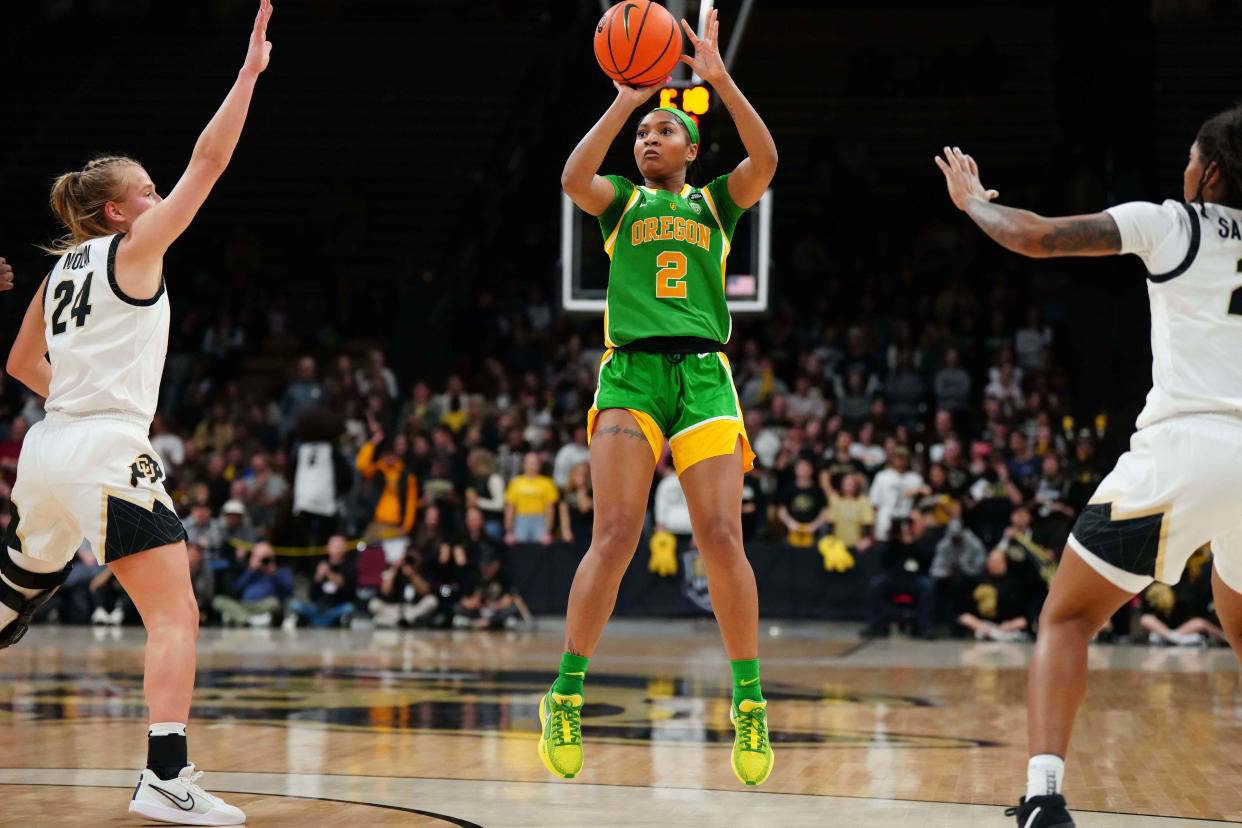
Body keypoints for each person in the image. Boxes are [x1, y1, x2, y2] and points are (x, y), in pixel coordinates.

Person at [0, 4, 271, 823]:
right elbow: (211, 160)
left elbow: (18, 363)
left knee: (11, 605)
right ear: (119, 212)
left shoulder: (62, 270)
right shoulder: (132, 251)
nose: (160, 198)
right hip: (106, 449)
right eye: (148, 192)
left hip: (46, 448)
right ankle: (164, 776)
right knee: (174, 613)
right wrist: (248, 75)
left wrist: (75, 402)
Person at [937, 109, 1242, 828]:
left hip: (1186, 449)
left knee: (1068, 617)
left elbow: (1035, 236)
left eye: (1194, 160)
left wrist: (974, 201)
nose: (1186, 171)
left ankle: (1044, 797)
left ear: (1214, 174)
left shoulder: (1175, 223)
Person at [542, 9, 778, 786]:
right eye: (642, 131)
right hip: (632, 374)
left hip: (705, 374)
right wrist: (623, 97)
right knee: (614, 534)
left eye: (662, 129)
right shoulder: (620, 202)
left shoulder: (715, 205)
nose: (649, 137)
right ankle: (566, 694)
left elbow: (766, 159)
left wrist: (719, 80)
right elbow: (574, 178)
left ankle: (748, 702)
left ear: (692, 149)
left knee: (720, 536)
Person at [212, 541, 291, 627]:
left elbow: (287, 590)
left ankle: (242, 618)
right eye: (258, 557)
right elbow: (235, 591)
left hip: (264, 606)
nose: (263, 561)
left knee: (274, 603)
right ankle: (249, 620)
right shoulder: (245, 570)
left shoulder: (280, 572)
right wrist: (250, 570)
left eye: (265, 558)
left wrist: (273, 573)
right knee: (218, 601)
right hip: (243, 605)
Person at [287, 534, 356, 628]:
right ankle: (324, 621)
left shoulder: (349, 567)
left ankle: (317, 621)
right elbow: (311, 595)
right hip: (317, 608)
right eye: (334, 546)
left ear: (345, 549)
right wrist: (318, 577)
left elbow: (348, 592)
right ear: (327, 548)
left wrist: (329, 574)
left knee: (349, 608)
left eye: (340, 546)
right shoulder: (319, 566)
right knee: (294, 604)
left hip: (336, 607)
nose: (337, 550)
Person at [503, 452, 558, 545]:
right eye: (530, 463)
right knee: (520, 548)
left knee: (540, 550)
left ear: (539, 465)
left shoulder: (547, 483)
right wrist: (509, 532)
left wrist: (548, 531)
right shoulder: (515, 483)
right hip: (520, 519)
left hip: (540, 519)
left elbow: (550, 509)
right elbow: (510, 507)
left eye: (535, 463)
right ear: (524, 464)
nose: (532, 466)